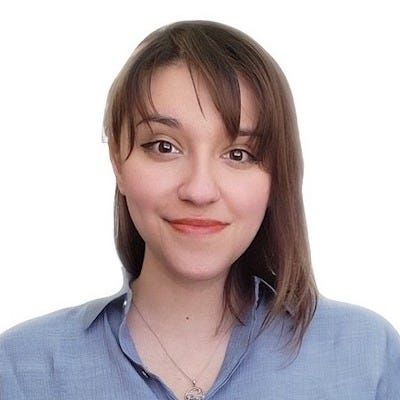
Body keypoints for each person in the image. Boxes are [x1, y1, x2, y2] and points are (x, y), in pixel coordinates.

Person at [0, 20, 399, 400]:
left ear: (277, 177)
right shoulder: (21, 367)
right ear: (118, 164)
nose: (200, 189)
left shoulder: (369, 357)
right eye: (163, 146)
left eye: (239, 153)